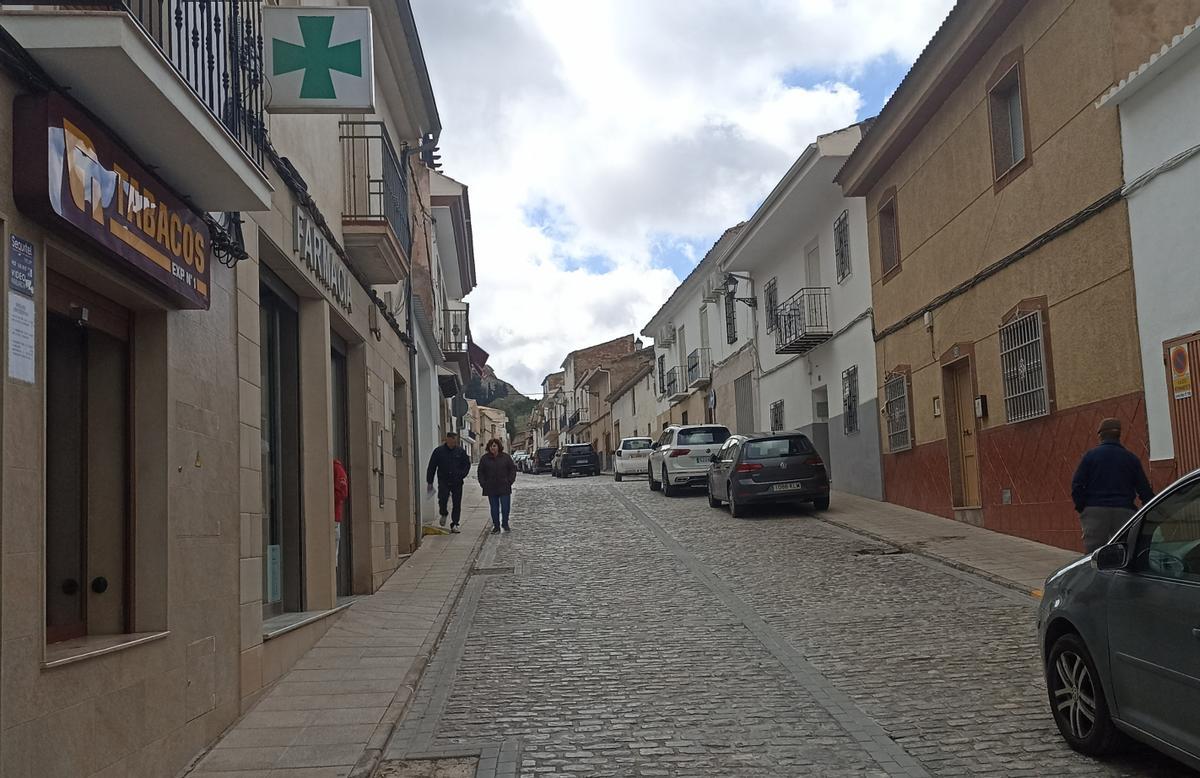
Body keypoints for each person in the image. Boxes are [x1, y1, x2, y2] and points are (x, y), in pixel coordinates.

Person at [1070, 417, 1153, 553]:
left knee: (1093, 555)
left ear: (1100, 435)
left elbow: (1077, 485)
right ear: (1119, 435)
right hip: (1124, 511)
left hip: (1095, 510)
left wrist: (1083, 507)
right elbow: (1144, 490)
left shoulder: (1090, 456)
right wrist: (1151, 508)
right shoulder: (1131, 458)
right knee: (1123, 552)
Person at [427, 432, 472, 533]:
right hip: (444, 480)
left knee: (457, 503)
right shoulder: (439, 451)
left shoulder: (460, 451)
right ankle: (443, 513)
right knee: (442, 498)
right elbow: (432, 467)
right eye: (451, 441)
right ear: (447, 440)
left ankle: (455, 523)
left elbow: (467, 464)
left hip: (457, 481)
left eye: (455, 441)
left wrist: (462, 474)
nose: (453, 443)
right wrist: (429, 481)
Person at [478, 438, 517, 534]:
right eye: (491, 446)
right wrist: (483, 483)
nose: (493, 448)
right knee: (494, 508)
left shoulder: (506, 457)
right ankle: (496, 526)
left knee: (505, 507)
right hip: (491, 487)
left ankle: (505, 523)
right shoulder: (485, 459)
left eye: (495, 446)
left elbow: (512, 469)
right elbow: (480, 472)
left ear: (499, 447)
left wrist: (510, 481)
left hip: (504, 486)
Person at [333, 458, 349, 559]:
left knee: (333, 553)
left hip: (334, 516)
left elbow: (342, 493)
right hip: (331, 515)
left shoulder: (336, 468)